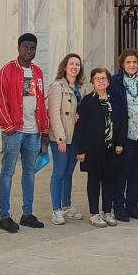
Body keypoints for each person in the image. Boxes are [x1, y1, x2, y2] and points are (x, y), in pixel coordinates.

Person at [0, 32, 49, 232]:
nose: (29, 51)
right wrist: (8, 126)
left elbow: (41, 102)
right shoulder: (7, 71)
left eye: (33, 48)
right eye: (26, 47)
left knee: (30, 173)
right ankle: (4, 216)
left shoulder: (38, 72)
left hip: (33, 132)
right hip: (14, 131)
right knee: (7, 172)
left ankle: (27, 213)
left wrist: (45, 130)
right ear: (19, 48)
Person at [74, 67, 125, 227]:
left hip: (111, 148)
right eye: (97, 78)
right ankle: (94, 213)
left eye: (103, 78)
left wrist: (120, 143)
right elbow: (80, 127)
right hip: (93, 149)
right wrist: (81, 150)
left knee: (110, 180)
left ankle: (107, 211)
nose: (101, 81)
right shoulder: (87, 101)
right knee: (94, 180)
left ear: (108, 81)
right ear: (92, 82)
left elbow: (123, 123)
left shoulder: (115, 100)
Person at [109, 49, 138, 222]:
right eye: (128, 62)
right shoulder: (115, 82)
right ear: (122, 64)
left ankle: (132, 205)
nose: (132, 65)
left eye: (135, 62)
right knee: (122, 171)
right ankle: (118, 207)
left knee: (137, 171)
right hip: (125, 135)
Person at [47, 53, 85, 225]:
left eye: (77, 64)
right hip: (61, 137)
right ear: (64, 66)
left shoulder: (80, 88)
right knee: (59, 171)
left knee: (69, 171)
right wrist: (60, 138)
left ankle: (66, 206)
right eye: (72, 63)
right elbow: (54, 114)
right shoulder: (57, 86)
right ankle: (56, 210)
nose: (75, 67)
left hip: (75, 136)